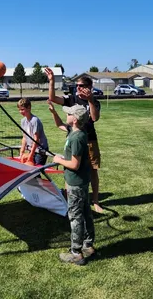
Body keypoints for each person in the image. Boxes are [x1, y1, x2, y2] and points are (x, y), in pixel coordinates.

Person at [45, 68, 104, 213]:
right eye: (77, 85)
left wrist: (90, 100)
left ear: (89, 87)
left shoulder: (95, 102)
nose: (77, 88)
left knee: (92, 171)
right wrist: (52, 81)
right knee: (70, 168)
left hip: (90, 139)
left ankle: (95, 200)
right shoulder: (72, 99)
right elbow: (53, 98)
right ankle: (69, 198)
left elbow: (94, 118)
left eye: (81, 85)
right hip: (73, 139)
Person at [53, 104, 95, 265]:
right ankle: (88, 245)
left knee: (76, 216)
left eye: (69, 113)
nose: (67, 115)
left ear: (75, 119)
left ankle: (76, 253)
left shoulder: (77, 138)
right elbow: (59, 125)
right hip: (81, 181)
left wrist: (59, 160)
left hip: (76, 183)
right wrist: (53, 112)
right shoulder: (77, 132)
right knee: (85, 212)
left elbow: (74, 165)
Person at [17, 98, 49, 165]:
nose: (20, 112)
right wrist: (22, 151)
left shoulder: (35, 121)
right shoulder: (23, 121)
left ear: (29, 108)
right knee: (29, 168)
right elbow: (24, 137)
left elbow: (36, 139)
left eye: (22, 109)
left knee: (36, 170)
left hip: (40, 149)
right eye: (19, 110)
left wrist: (31, 155)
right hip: (31, 148)